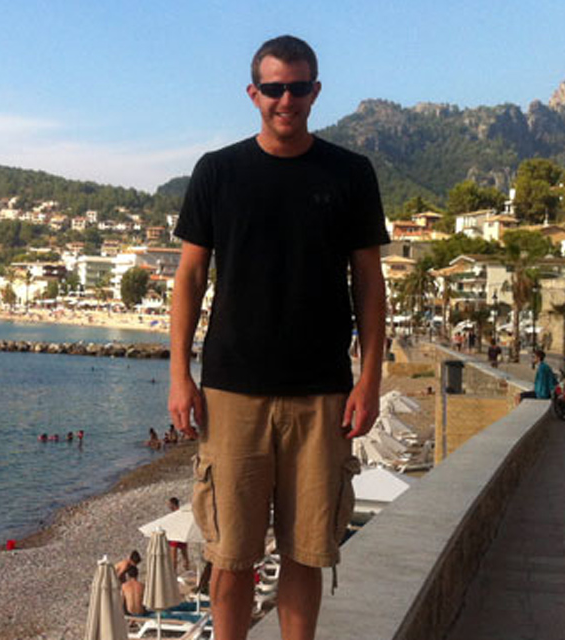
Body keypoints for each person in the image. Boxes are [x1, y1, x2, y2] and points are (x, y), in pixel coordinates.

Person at [168, 35, 388, 640]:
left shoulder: (350, 173)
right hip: (232, 392)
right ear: (253, 94)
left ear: (316, 92)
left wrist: (370, 380)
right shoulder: (219, 171)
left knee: (306, 552)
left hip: (322, 393)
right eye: (273, 88)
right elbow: (188, 277)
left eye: (297, 87)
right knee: (230, 557)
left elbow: (369, 284)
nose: (285, 99)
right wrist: (179, 375)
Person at [167, 497, 191, 572]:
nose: (168, 506)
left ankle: (173, 573)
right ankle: (187, 570)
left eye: (169, 504)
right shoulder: (181, 512)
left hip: (175, 536)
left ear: (172, 504)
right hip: (182, 536)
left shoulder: (176, 514)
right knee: (185, 556)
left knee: (173, 558)